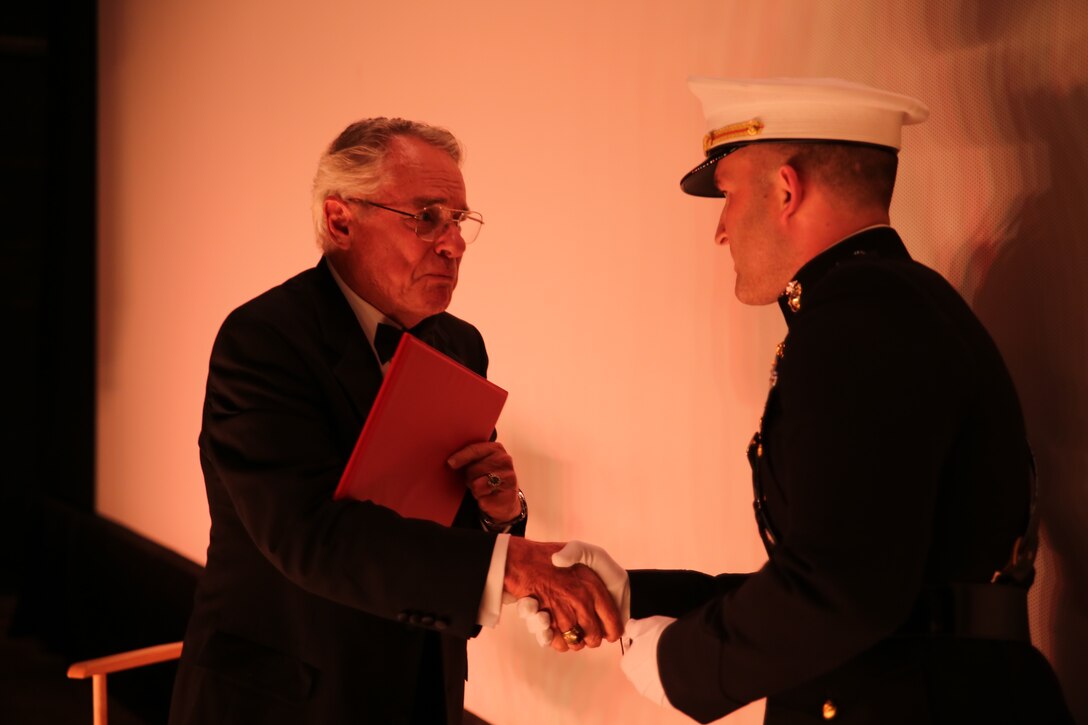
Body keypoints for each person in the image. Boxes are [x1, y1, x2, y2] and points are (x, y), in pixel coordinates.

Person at [523, 78, 1074, 723]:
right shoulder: (890, 305)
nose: (721, 231)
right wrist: (632, 594)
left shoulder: (861, 322)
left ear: (786, 189)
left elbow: (841, 591)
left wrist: (680, 666)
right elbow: (862, 569)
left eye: (726, 196)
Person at [167, 117, 620, 725]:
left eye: (459, 220)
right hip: (286, 695)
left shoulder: (460, 344)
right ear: (340, 220)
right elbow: (310, 536)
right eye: (427, 215)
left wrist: (498, 513)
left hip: (421, 687)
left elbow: (442, 524)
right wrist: (514, 565)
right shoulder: (263, 339)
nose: (453, 243)